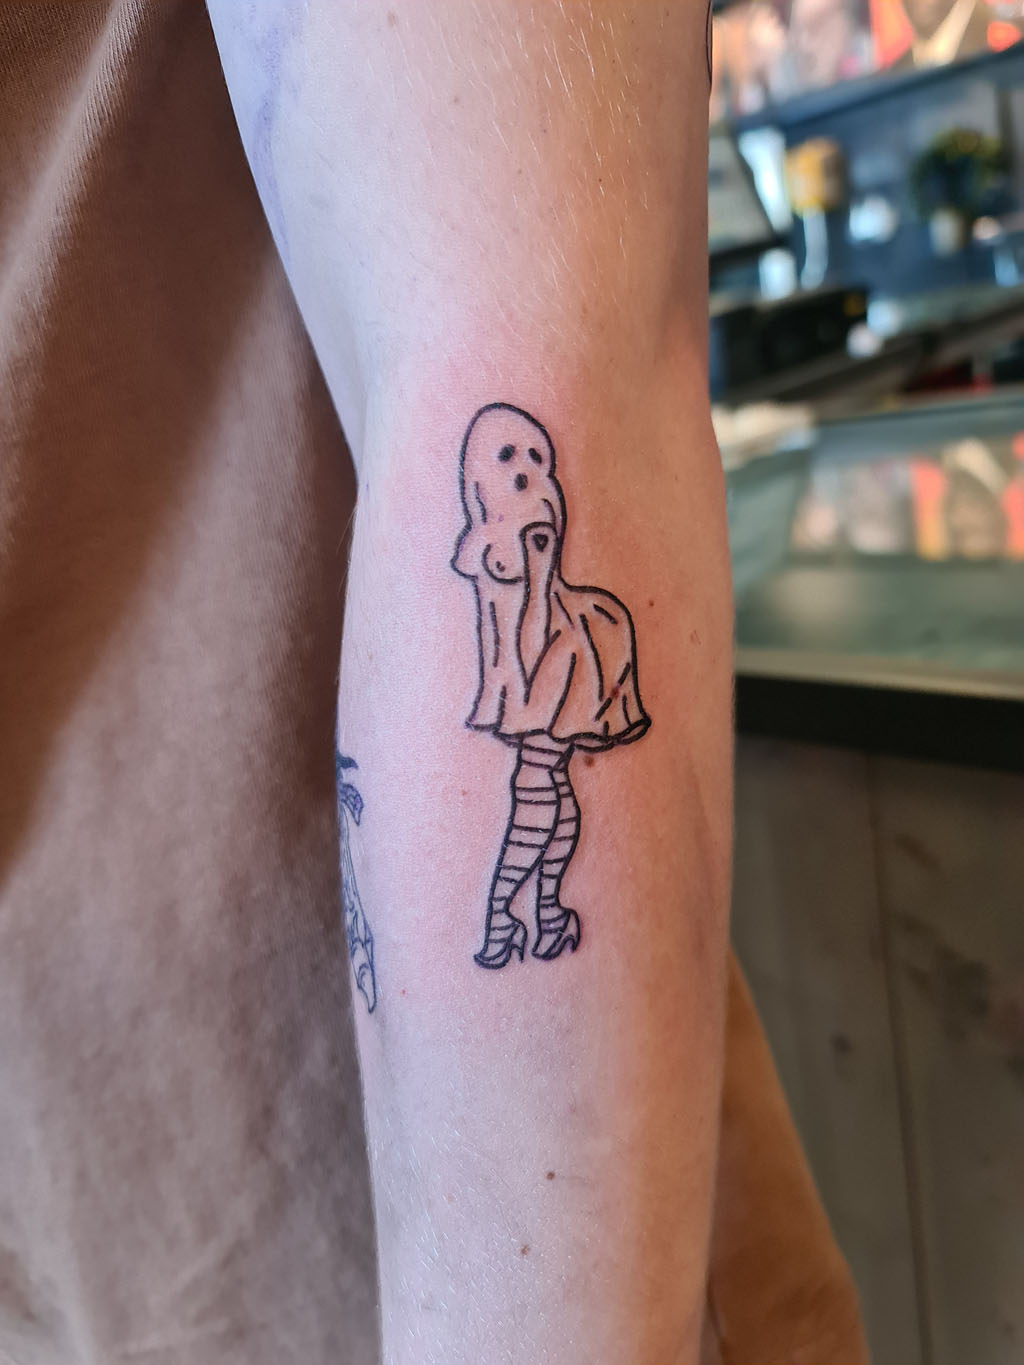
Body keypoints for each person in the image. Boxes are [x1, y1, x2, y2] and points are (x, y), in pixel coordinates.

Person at [0, 4, 867, 1363]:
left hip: (398, 1209)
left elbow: (527, 338)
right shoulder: (499, 555)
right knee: (536, 834)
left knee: (544, 832)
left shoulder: (526, 535)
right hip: (76, 1171)